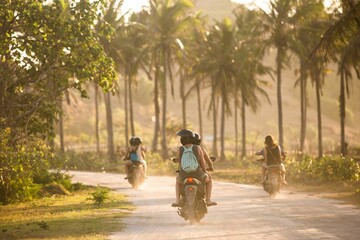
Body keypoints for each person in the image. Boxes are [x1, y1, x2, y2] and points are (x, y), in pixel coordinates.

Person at [171, 129, 217, 207]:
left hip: (184, 174)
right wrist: (204, 171)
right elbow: (202, 161)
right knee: (209, 180)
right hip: (197, 173)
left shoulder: (180, 149)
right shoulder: (198, 148)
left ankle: (177, 200)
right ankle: (208, 200)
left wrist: (180, 170)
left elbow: (179, 161)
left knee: (178, 182)